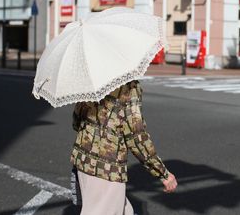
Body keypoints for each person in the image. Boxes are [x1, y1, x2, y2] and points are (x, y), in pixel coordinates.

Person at [70, 80, 177, 215]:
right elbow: (136, 136)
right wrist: (163, 173)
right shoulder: (128, 86)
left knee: (124, 211)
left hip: (83, 159)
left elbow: (76, 121)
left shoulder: (91, 81)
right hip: (108, 168)